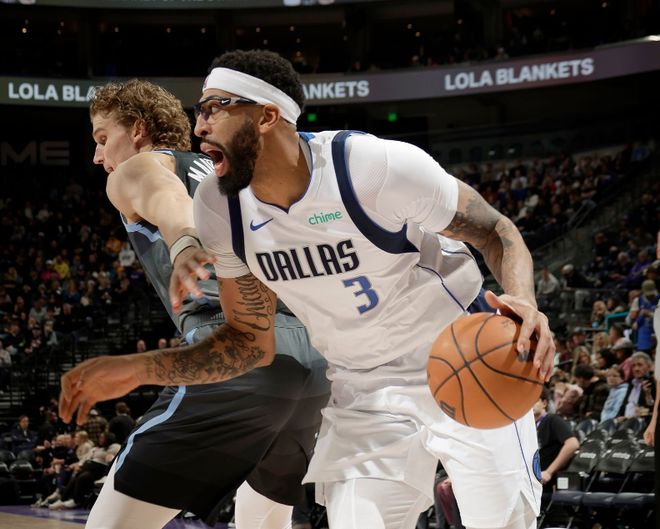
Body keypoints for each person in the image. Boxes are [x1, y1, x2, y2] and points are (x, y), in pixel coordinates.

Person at [61, 50, 555, 529]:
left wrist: (523, 305)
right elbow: (247, 343)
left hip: (458, 351)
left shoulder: (369, 166)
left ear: (266, 116)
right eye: (199, 112)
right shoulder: (219, 206)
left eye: (214, 109)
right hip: (360, 388)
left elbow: (495, 230)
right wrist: (138, 369)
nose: (200, 126)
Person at [64, 79, 330, 529]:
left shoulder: (140, 166)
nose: (97, 155)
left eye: (103, 138)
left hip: (236, 351)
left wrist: (185, 241)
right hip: (312, 360)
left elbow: (163, 194)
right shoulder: (231, 172)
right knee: (263, 522)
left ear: (139, 129)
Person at [533, 387, 579, 505]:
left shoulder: (553, 420)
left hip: (546, 480)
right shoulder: (527, 425)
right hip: (530, 479)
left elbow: (572, 444)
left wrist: (549, 471)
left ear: (544, 403)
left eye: (534, 400)